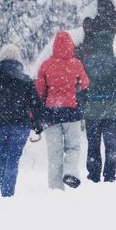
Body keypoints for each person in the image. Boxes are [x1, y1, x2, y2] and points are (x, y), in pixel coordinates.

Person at [0, 44, 43, 197]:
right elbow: (36, 104)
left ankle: (5, 195)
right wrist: (38, 125)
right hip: (20, 126)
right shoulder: (25, 81)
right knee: (13, 161)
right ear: (18, 59)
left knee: (3, 162)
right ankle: (8, 196)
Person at [36, 31, 90, 190]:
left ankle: (55, 189)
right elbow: (85, 84)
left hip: (51, 114)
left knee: (54, 154)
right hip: (71, 113)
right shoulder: (76, 63)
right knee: (73, 147)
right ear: (70, 45)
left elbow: (39, 91)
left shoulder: (46, 65)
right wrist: (75, 87)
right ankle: (70, 172)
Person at [80, 31, 116, 183]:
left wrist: (85, 104)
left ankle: (93, 175)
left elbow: (79, 89)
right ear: (110, 45)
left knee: (93, 145)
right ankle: (109, 176)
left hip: (92, 113)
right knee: (111, 146)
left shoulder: (86, 63)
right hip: (112, 113)